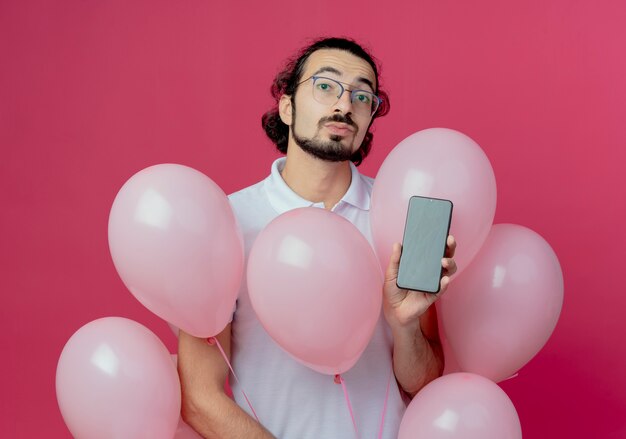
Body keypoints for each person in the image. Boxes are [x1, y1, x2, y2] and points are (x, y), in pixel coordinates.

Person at [177, 37, 457, 439]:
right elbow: (200, 399)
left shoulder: (399, 217)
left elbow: (424, 385)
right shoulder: (229, 223)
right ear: (287, 107)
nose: (344, 105)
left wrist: (405, 325)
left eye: (363, 96)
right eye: (325, 86)